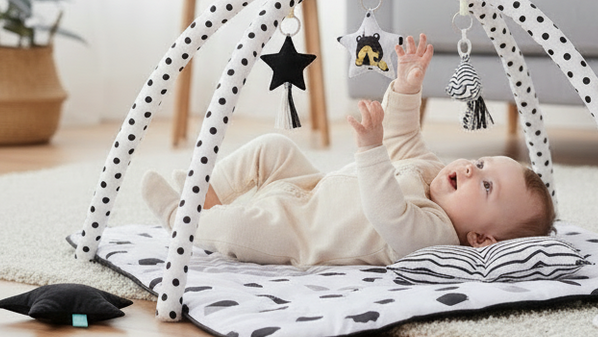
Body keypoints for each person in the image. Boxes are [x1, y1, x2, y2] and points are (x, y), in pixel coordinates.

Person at [141, 34, 554, 266]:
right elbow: (404, 138)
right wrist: (407, 88)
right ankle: (207, 195)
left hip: (299, 230)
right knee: (273, 147)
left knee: (241, 229)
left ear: (480, 239)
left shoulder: (435, 238)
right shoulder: (432, 174)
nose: (469, 171)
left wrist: (371, 150)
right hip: (310, 187)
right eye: (480, 164)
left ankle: (188, 220)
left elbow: (386, 211)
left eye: (485, 187)